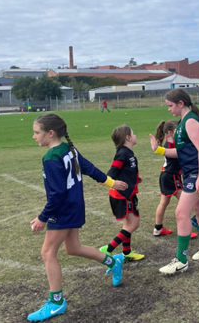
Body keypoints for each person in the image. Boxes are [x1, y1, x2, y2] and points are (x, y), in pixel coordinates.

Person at [28, 114, 126, 322]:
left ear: (50, 133)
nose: (34, 136)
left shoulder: (51, 157)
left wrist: (42, 218)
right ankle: (113, 261)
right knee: (73, 248)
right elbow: (88, 168)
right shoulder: (68, 149)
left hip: (63, 210)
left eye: (37, 132)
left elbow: (57, 194)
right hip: (75, 207)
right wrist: (110, 182)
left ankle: (56, 303)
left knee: (47, 253)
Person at [152, 89, 199, 275]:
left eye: (170, 105)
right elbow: (181, 152)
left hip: (197, 172)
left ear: (181, 103)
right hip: (191, 172)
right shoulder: (182, 123)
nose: (169, 109)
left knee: (181, 212)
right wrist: (159, 150)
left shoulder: (190, 122)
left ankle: (181, 260)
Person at [100, 126, 145, 261]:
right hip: (122, 195)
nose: (135, 135)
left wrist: (134, 179)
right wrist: (109, 180)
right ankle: (108, 249)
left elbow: (125, 170)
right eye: (133, 133)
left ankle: (127, 252)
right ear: (128, 138)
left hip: (127, 193)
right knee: (133, 224)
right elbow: (113, 170)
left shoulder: (128, 153)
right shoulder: (123, 153)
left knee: (128, 224)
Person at [152, 121, 198, 239]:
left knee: (164, 203)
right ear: (170, 133)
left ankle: (158, 228)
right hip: (170, 176)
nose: (180, 132)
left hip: (166, 175)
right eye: (177, 130)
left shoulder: (174, 143)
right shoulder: (169, 145)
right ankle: (185, 231)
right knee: (185, 204)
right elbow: (178, 153)